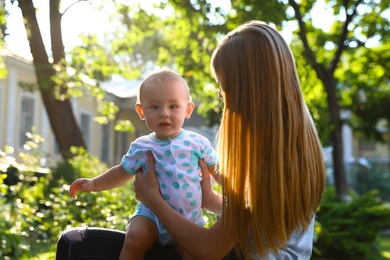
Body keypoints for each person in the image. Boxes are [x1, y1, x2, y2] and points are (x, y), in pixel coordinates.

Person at [56, 20, 326, 259]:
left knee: (76, 245)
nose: (222, 98)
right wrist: (210, 201)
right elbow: (259, 217)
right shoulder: (293, 146)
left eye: (225, 89)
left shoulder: (263, 159)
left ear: (245, 93)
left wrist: (153, 199)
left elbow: (209, 250)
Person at [67, 68, 220, 260]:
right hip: (151, 217)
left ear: (188, 110)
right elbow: (122, 172)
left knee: (194, 254)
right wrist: (94, 184)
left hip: (189, 219)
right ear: (141, 111)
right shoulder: (142, 146)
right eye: (155, 107)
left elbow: (217, 172)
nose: (164, 113)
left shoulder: (198, 143)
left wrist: (240, 190)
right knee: (134, 238)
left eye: (173, 106)